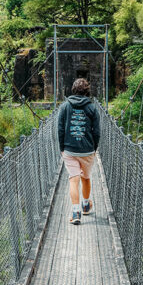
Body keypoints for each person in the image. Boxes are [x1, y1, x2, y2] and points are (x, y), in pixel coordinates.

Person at [57, 77, 101, 225]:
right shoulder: (92, 108)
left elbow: (60, 129)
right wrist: (93, 149)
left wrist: (62, 148)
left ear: (73, 90)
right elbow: (97, 132)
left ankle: (76, 212)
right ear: (87, 91)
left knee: (73, 179)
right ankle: (86, 205)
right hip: (87, 150)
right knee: (86, 177)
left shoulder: (64, 106)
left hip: (70, 150)